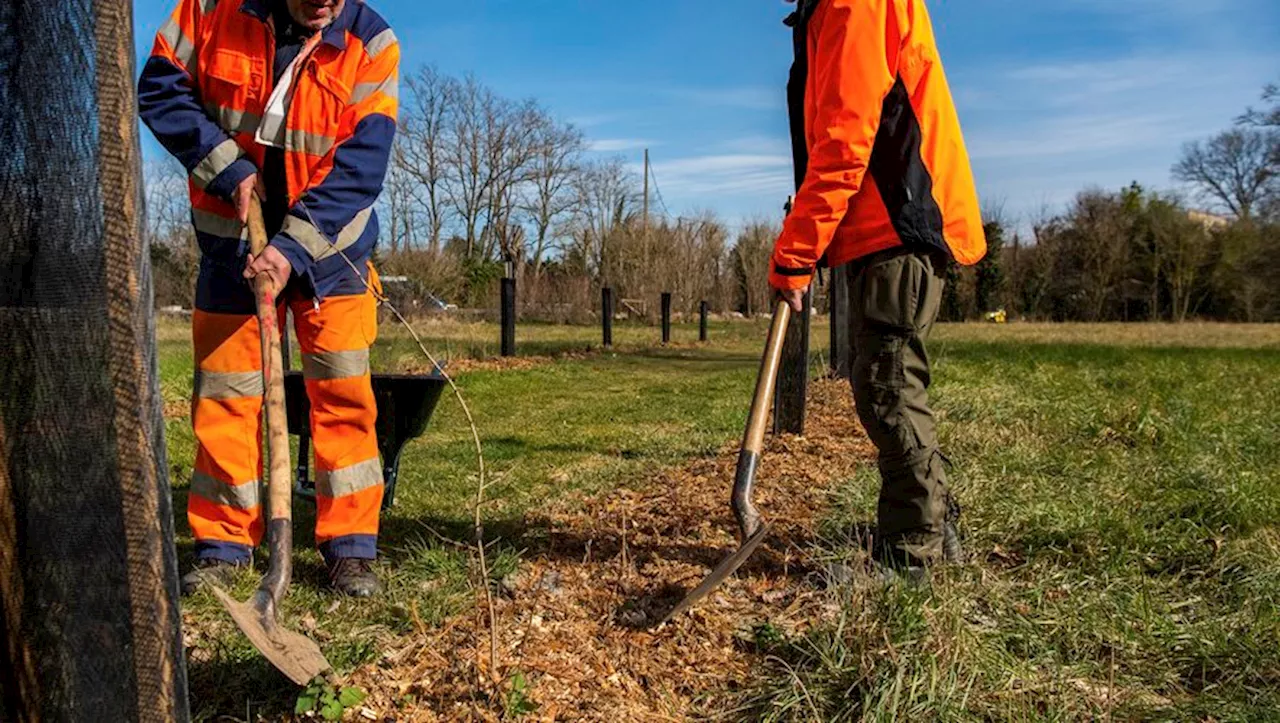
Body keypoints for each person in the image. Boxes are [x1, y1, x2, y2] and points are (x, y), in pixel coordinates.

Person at [138, 0, 399, 597]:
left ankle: (350, 551)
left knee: (342, 398)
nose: (324, 5)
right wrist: (227, 167)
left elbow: (361, 166)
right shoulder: (208, 11)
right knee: (228, 399)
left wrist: (289, 251)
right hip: (233, 251)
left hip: (330, 257)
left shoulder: (373, 43)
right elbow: (159, 89)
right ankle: (224, 547)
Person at [771, 0, 985, 573]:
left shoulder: (853, 5)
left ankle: (912, 558)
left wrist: (796, 252)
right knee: (885, 385)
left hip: (897, 226)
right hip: (878, 229)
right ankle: (933, 527)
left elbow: (844, 143)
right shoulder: (826, 13)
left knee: (888, 388)